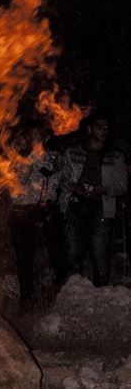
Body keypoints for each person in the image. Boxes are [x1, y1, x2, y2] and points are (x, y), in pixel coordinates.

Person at [59, 115, 127, 286]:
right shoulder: (73, 152)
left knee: (99, 248)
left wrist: (105, 189)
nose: (104, 130)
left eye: (106, 127)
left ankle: (101, 289)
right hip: (75, 203)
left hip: (102, 205)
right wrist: (74, 186)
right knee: (74, 247)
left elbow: (122, 185)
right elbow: (62, 177)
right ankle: (74, 287)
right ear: (90, 129)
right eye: (99, 126)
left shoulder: (115, 157)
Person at [9, 123, 66, 306]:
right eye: (32, 136)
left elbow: (56, 179)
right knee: (25, 258)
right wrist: (32, 158)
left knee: (57, 253)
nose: (36, 140)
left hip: (46, 210)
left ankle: (62, 293)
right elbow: (17, 185)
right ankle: (27, 298)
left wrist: (49, 201)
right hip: (23, 212)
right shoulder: (17, 158)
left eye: (39, 136)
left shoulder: (54, 157)